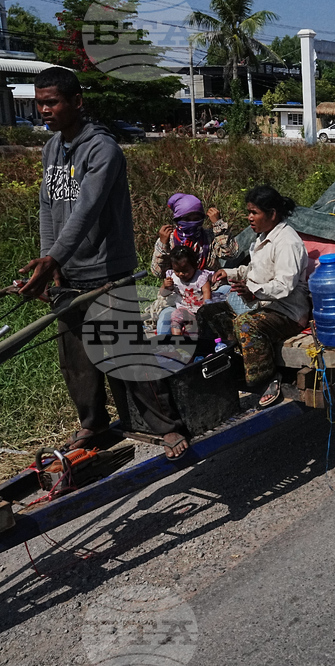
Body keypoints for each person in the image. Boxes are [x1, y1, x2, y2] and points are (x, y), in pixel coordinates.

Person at [17, 67, 189, 459]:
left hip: (106, 269)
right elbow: (49, 208)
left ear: (77, 102)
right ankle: (92, 424)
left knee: (124, 354)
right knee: (75, 360)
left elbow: (87, 210)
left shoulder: (102, 149)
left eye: (52, 102)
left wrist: (54, 257)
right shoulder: (51, 149)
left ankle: (167, 427)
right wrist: (51, 261)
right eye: (40, 102)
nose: (44, 110)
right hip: (67, 270)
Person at [199, 186, 309, 409]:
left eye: (254, 212)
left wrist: (253, 292)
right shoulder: (263, 237)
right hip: (262, 306)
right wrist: (230, 273)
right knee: (209, 313)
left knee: (246, 324)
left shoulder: (288, 242)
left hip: (287, 313)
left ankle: (268, 379)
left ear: (272, 214)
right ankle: (235, 368)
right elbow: (255, 270)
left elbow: (284, 285)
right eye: (249, 212)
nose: (249, 217)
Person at [150, 192, 235, 334]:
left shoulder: (209, 237)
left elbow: (230, 253)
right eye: (187, 219)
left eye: (197, 218)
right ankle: (170, 352)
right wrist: (163, 245)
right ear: (177, 219)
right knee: (165, 321)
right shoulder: (169, 239)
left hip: (211, 292)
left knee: (229, 296)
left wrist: (219, 226)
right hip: (180, 299)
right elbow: (158, 272)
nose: (192, 223)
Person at [161, 246, 214, 337]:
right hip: (183, 309)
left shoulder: (200, 277)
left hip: (200, 310)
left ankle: (196, 343)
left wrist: (206, 308)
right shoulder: (173, 277)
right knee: (175, 317)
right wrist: (165, 286)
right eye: (177, 271)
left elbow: (206, 292)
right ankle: (177, 339)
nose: (181, 274)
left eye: (185, 271)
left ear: (194, 266)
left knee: (197, 329)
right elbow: (163, 293)